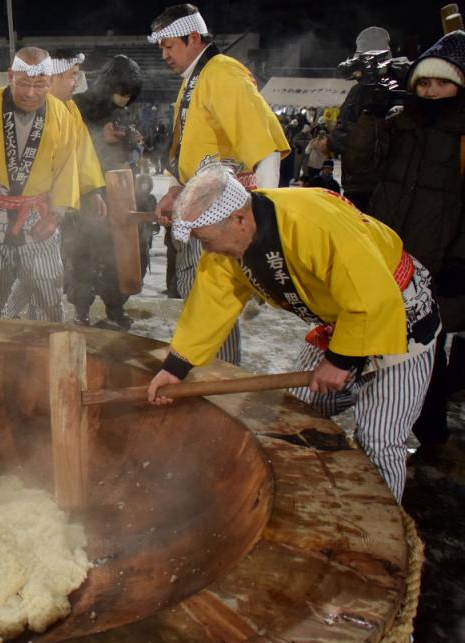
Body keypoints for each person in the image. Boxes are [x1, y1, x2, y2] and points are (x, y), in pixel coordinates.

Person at [146, 166, 439, 503]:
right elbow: (213, 301)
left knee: (379, 437)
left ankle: (383, 538)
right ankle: (311, 497)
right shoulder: (232, 242)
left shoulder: (312, 222)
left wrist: (341, 359)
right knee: (298, 411)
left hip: (400, 316)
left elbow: (371, 293)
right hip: (341, 321)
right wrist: (176, 367)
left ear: (239, 219)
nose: (209, 252)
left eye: (207, 241)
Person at [150, 3, 290, 365]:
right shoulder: (198, 78)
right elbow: (198, 152)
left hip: (221, 212)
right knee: (199, 297)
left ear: (194, 37)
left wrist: (264, 219)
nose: (164, 55)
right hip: (200, 204)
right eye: (161, 47)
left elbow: (265, 149)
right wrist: (176, 191)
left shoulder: (223, 73)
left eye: (170, 46)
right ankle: (209, 375)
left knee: (212, 303)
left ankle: (218, 381)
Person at [368, 30, 465, 451]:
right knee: (383, 336)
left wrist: (461, 260)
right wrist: (371, 114)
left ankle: (431, 432)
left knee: (430, 346)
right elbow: (361, 169)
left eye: (441, 83)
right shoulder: (399, 124)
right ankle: (382, 416)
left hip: (440, 259)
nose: (431, 91)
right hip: (390, 252)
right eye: (424, 83)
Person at [0, 48, 78, 323]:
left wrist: (56, 216)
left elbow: (67, 167)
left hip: (37, 213)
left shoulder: (60, 114)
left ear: (50, 82)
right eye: (23, 83)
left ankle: (46, 348)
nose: (31, 93)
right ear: (10, 76)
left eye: (39, 85)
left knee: (47, 289)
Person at [70, 54, 145, 325]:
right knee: (85, 253)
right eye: (122, 92)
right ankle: (81, 309)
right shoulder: (79, 104)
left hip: (121, 191)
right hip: (89, 192)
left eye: (130, 95)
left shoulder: (123, 111)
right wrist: (101, 138)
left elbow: (132, 150)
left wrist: (134, 143)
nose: (125, 98)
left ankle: (115, 307)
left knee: (120, 253)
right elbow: (68, 146)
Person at [326, 27, 401, 211]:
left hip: (360, 179)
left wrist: (327, 143)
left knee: (363, 229)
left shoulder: (360, 91)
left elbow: (344, 131)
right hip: (394, 177)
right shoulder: (399, 84)